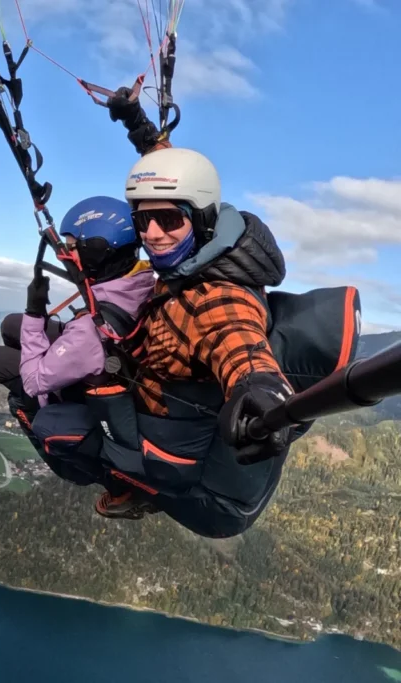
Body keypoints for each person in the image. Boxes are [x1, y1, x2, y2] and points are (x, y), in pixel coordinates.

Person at [30, 139, 310, 537]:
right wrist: (143, 134)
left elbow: (236, 339)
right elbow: (179, 186)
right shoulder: (209, 255)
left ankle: (127, 487)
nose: (153, 235)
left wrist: (258, 386)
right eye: (143, 222)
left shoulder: (214, 295)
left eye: (168, 220)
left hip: (168, 448)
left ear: (201, 220)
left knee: (48, 422)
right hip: (158, 396)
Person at [0, 195, 155, 469]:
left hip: (71, 383)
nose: (67, 256)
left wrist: (35, 313)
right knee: (11, 325)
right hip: (105, 348)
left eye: (73, 248)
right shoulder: (139, 280)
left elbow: (34, 382)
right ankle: (36, 358)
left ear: (97, 251)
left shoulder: (87, 333)